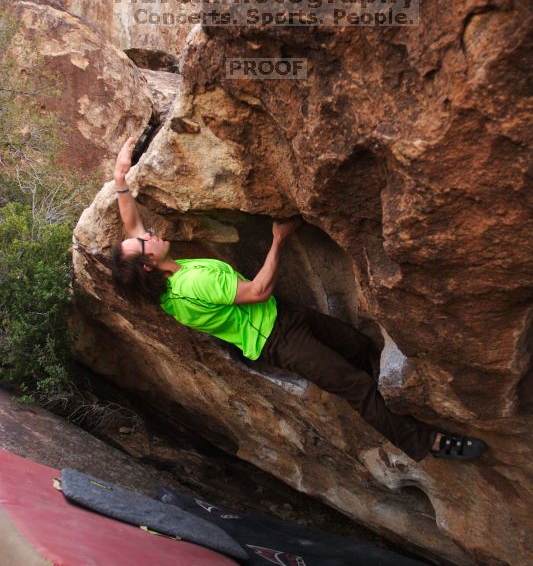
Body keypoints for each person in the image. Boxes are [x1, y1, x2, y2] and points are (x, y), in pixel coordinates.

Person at [110, 136, 487, 463]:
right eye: (144, 242)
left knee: (358, 346)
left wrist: (120, 178)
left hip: (283, 319)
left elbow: (132, 224)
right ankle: (430, 442)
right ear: (147, 265)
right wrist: (278, 241)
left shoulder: (164, 282)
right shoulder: (193, 283)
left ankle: (399, 405)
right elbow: (258, 290)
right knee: (356, 387)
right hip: (278, 338)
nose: (149, 233)